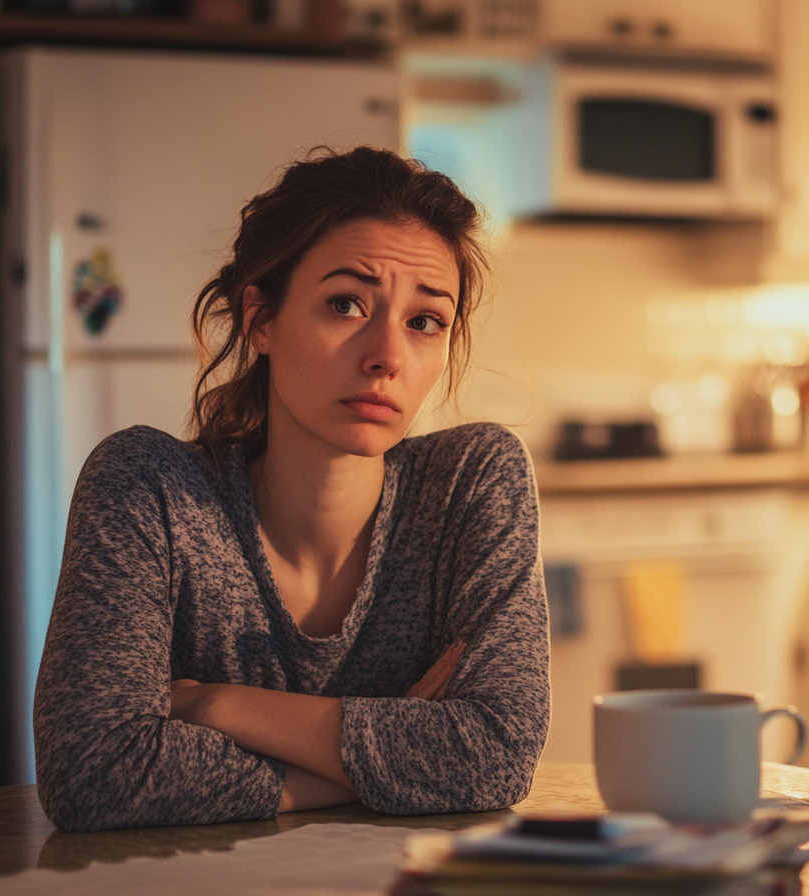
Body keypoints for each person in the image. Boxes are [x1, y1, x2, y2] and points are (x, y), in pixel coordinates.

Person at [33, 146, 550, 833]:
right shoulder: (146, 489)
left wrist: (218, 705)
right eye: (345, 304)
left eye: (424, 322)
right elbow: (93, 775)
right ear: (259, 320)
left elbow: (496, 758)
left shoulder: (472, 483)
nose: (387, 357)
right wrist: (380, 765)